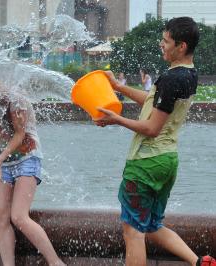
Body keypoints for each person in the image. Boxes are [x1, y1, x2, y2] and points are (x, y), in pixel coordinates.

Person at [94, 17, 215, 266]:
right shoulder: (188, 74)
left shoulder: (172, 79)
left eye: (166, 41)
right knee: (151, 225)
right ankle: (200, 263)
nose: (161, 44)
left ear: (181, 46)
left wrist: (116, 119)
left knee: (133, 231)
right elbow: (152, 101)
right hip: (167, 162)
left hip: (145, 164)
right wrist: (118, 87)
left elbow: (151, 128)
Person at [0, 85, 66, 266]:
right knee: (1, 219)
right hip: (3, 165)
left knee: (19, 216)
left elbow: (20, 135)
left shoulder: (16, 103)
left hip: (27, 158)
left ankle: (55, 262)